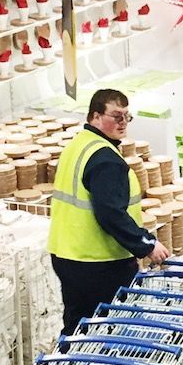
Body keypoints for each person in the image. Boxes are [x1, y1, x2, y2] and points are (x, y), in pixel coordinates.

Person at [47, 88, 172, 333]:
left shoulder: (79, 144)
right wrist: (146, 244)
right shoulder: (105, 160)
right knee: (106, 329)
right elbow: (111, 214)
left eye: (127, 116)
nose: (123, 123)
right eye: (116, 116)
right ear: (95, 116)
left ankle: (69, 356)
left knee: (77, 325)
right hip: (98, 262)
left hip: (66, 254)